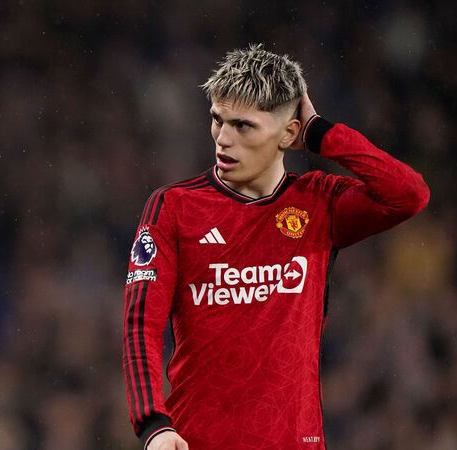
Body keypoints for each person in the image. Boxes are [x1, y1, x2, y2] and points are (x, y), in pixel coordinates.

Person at [123, 44, 429, 449]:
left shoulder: (319, 203)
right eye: (218, 120)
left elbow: (408, 194)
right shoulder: (174, 208)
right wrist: (154, 425)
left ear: (288, 133)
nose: (223, 139)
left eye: (243, 126)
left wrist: (321, 133)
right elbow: (140, 324)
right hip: (198, 441)